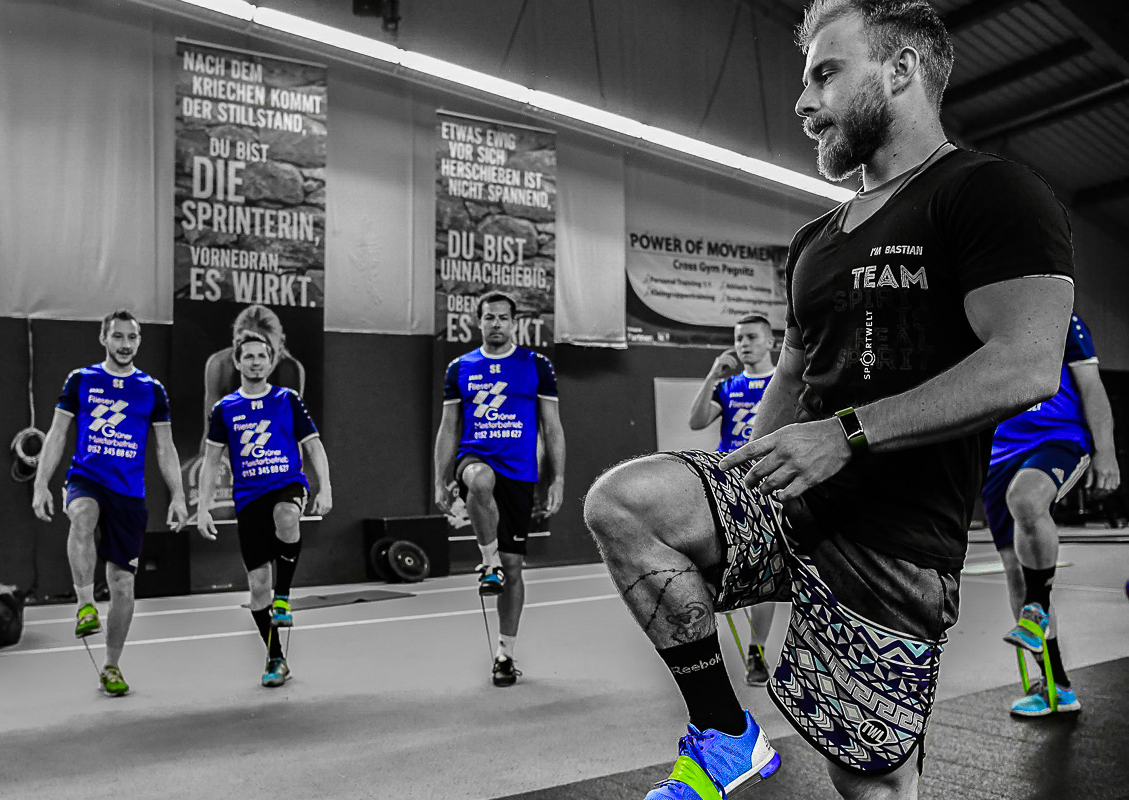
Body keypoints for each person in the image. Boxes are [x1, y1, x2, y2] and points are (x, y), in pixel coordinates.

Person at [582, 2, 1075, 798]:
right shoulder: (817, 240)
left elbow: (1025, 365)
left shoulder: (992, 193)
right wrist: (733, 479)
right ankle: (725, 733)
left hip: (897, 547)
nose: (804, 103)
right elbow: (792, 370)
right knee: (629, 504)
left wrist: (845, 433)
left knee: (871, 785)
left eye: (825, 73)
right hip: (796, 503)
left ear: (901, 71)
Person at [32, 309, 190, 696]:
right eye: (117, 337)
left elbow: (165, 447)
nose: (124, 344)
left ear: (139, 342)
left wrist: (179, 495)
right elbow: (56, 434)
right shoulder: (82, 380)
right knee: (82, 515)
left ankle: (112, 665)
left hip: (129, 492)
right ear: (104, 339)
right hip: (87, 477)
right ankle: (85, 604)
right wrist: (41, 484)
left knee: (122, 584)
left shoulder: (151, 389)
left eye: (131, 338)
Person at [983, 312, 1119, 716]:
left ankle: (1036, 606)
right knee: (1014, 572)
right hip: (997, 452)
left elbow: (1092, 388)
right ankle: (1056, 687)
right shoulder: (980, 318)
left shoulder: (1064, 319)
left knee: (1026, 498)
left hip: (1058, 436)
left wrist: (1105, 450)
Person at [434, 292, 565, 687]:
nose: (495, 324)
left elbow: (552, 427)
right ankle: (486, 561)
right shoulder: (460, 367)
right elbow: (448, 427)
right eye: (488, 317)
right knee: (478, 481)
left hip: (521, 473)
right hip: (475, 456)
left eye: (503, 318)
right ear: (478, 322)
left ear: (514, 323)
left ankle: (505, 653)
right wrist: (439, 478)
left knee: (514, 569)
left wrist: (556, 478)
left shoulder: (536, 366)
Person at [197, 330, 331, 688]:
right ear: (238, 362)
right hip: (249, 497)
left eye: (262, 356)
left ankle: (284, 597)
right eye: (249, 356)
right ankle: (275, 658)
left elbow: (314, 447)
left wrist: (325, 487)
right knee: (258, 589)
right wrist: (203, 507)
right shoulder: (224, 409)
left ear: (271, 362)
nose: (256, 362)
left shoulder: (288, 400)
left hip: (286, 483)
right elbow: (210, 461)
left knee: (286, 516)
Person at [687, 314, 781, 687]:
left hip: (771, 483)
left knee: (766, 567)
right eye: (739, 338)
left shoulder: (783, 381)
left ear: (770, 342)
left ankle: (756, 648)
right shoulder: (729, 386)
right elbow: (696, 422)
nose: (744, 344)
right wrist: (712, 374)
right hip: (729, 484)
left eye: (752, 337)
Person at [193, 305, 309, 521]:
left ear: (279, 346)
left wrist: (296, 490)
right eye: (247, 350)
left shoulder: (290, 370)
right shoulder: (219, 365)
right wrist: (206, 497)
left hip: (274, 461)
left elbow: (296, 439)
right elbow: (210, 436)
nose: (256, 363)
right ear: (236, 348)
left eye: (264, 353)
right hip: (236, 456)